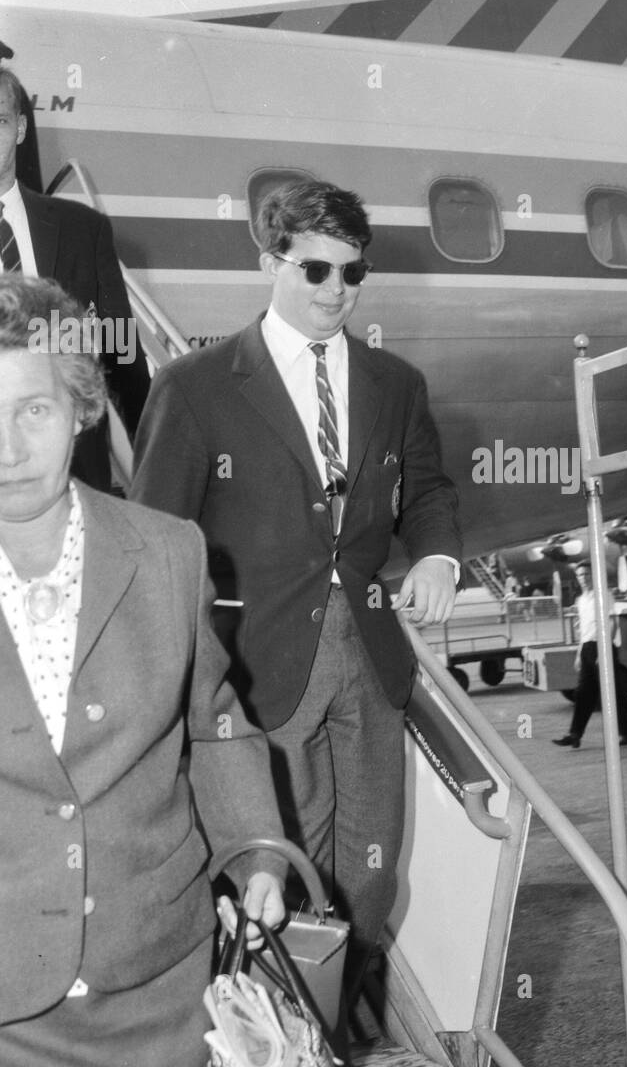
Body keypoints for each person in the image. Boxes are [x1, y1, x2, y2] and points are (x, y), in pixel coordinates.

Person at [131, 178, 461, 996]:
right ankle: (287, 1043)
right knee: (282, 869)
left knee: (372, 869)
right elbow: (156, 538)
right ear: (269, 260)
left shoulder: (395, 384)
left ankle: (339, 1025)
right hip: (257, 663)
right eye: (315, 271)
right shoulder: (197, 387)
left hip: (370, 659)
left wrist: (435, 557)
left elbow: (428, 493)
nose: (336, 292)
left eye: (353, 274)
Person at [0, 274, 286, 1067]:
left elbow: (217, 724)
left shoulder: (169, 553)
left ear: (83, 408)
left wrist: (258, 850)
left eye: (34, 410)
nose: (7, 447)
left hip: (159, 986)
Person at [0, 68, 151, 492]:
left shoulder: (84, 229)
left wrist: (146, 460)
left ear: (21, 128)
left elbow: (121, 351)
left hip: (76, 471)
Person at [553, 563, 627, 748]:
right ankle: (574, 735)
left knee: (612, 694)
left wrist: (604, 650)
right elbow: (584, 630)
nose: (584, 578)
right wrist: (578, 654)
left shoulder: (604, 595)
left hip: (603, 646)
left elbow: (613, 622)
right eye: (581, 575)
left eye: (587, 574)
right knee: (583, 693)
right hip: (587, 649)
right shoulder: (581, 600)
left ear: (594, 575)